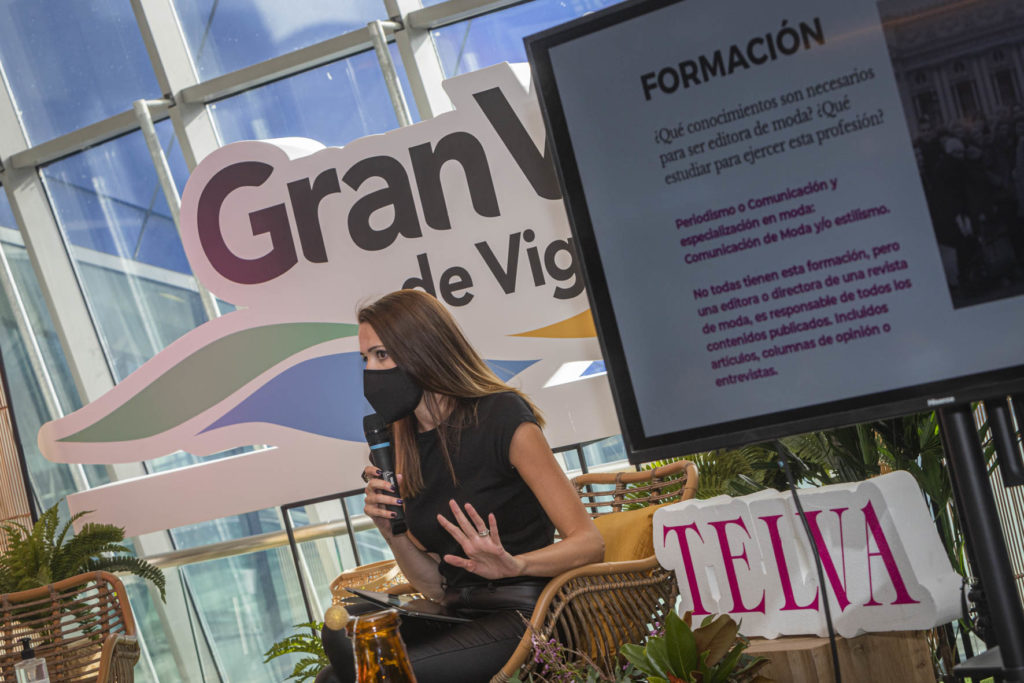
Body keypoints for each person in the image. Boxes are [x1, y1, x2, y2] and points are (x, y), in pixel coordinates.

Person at [318, 289, 605, 683]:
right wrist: (392, 532)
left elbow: (590, 543)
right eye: (365, 358)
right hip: (457, 611)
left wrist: (515, 565)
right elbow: (435, 588)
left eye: (381, 354)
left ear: (422, 349)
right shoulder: (399, 443)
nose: (371, 370)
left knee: (381, 675)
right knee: (339, 633)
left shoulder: (502, 417)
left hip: (528, 615)